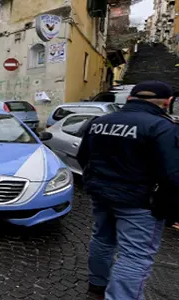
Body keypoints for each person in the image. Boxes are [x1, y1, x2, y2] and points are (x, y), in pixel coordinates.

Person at [77, 81, 179, 300]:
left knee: (102, 239)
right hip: (141, 201)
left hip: (101, 194)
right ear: (167, 102)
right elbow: (173, 173)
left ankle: (96, 287)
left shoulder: (99, 121)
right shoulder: (162, 127)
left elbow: (83, 157)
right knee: (135, 256)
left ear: (130, 98)